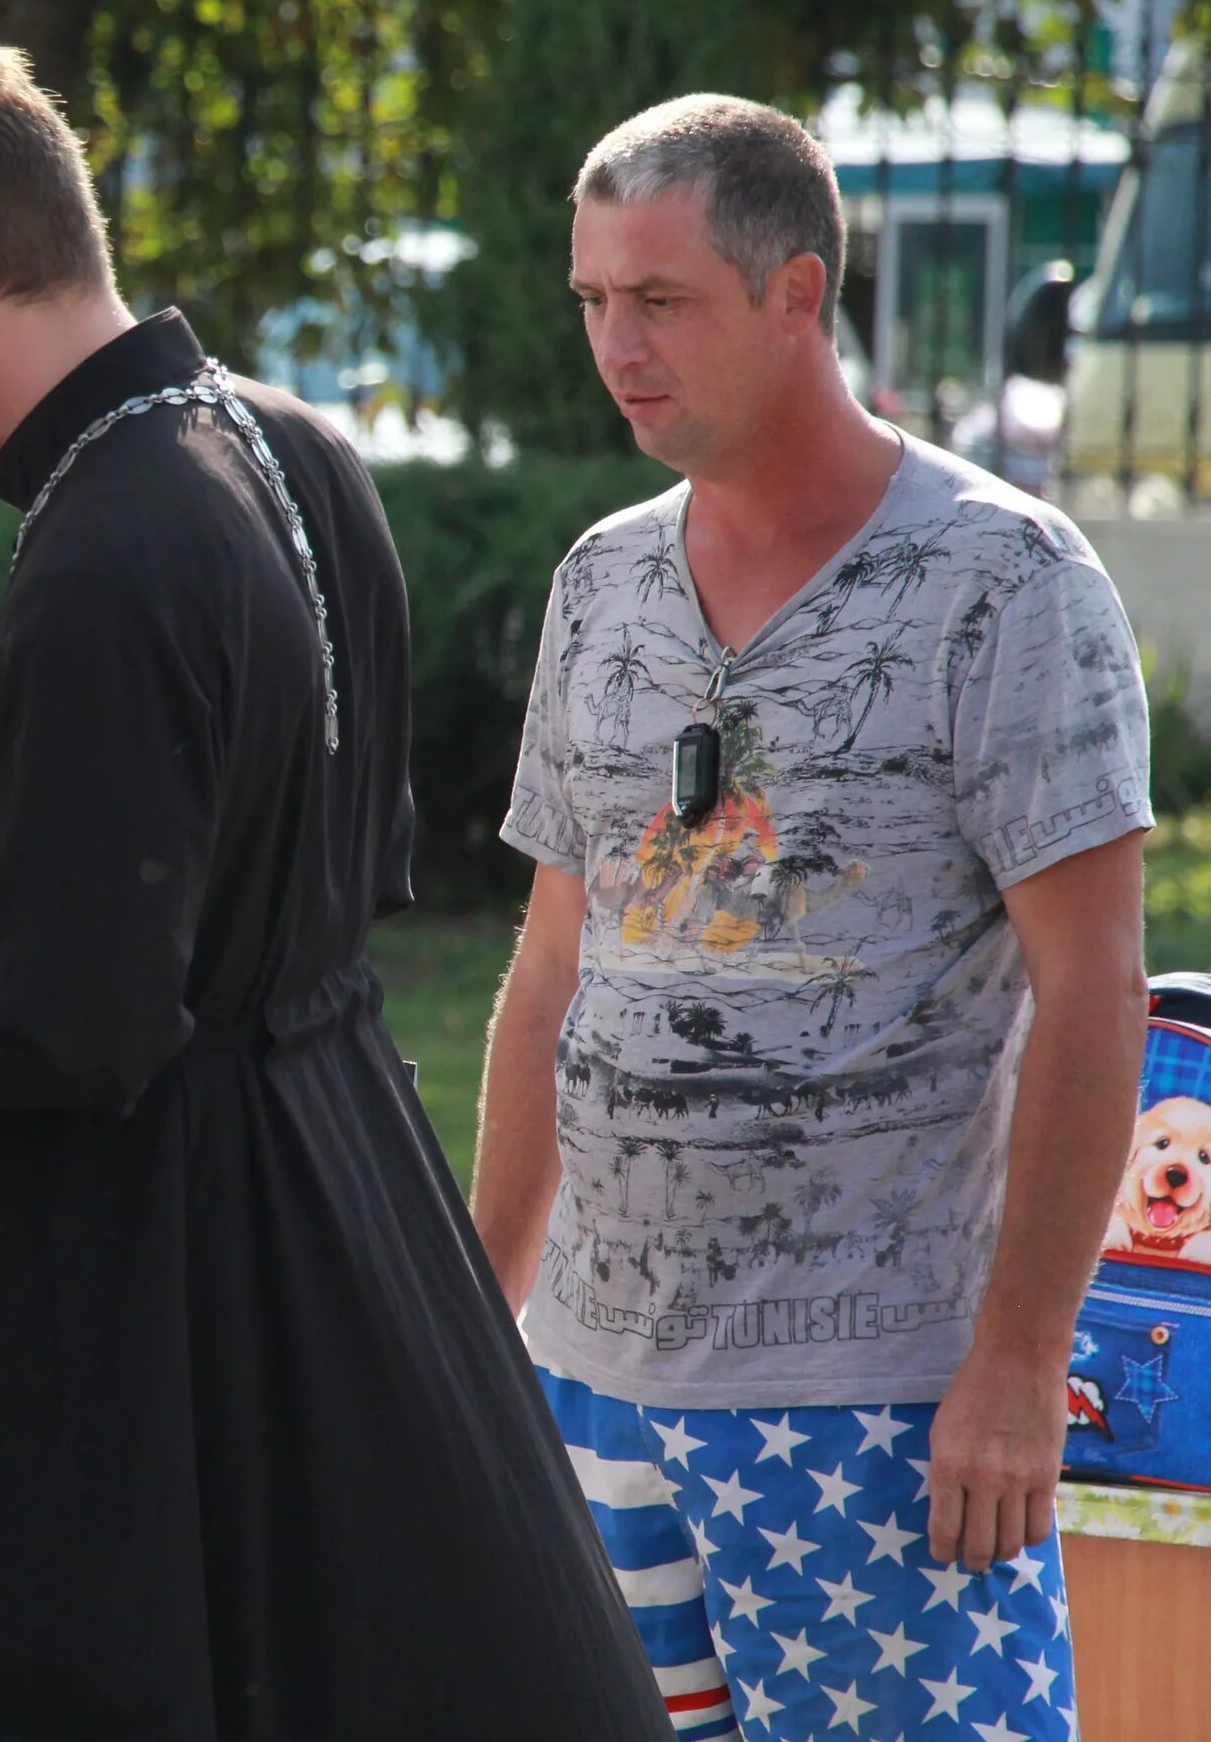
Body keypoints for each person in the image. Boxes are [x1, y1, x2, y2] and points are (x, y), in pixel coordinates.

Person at [0, 34, 668, 1742]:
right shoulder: (287, 447)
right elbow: (312, 862)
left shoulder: (107, 547)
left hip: (151, 1290)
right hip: (336, 1198)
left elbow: (71, 1030)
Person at [474, 96, 1151, 1740]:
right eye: (592, 303)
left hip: (874, 1410)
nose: (616, 348)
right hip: (587, 1385)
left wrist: (1014, 1369)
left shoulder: (1007, 578)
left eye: (661, 301)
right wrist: (472, 1324)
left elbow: (1094, 994)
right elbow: (554, 969)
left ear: (797, 295)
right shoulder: (601, 581)